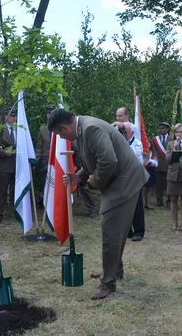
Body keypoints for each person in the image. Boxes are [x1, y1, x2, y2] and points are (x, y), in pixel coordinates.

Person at [49, 110, 148, 300]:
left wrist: (95, 181)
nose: (63, 137)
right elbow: (92, 160)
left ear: (65, 127)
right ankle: (114, 270)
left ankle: (108, 283)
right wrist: (79, 176)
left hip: (124, 181)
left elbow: (108, 160)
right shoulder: (83, 129)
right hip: (122, 179)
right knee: (116, 229)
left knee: (110, 230)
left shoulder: (90, 128)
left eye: (61, 134)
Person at [0, 108, 17, 223]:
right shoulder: (0, 130)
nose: (14, 118)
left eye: (15, 116)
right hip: (4, 166)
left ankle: (16, 213)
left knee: (15, 191)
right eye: (11, 116)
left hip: (17, 165)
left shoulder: (20, 130)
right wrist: (3, 153)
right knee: (1, 192)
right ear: (6, 116)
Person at [122, 122, 146, 241]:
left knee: (137, 205)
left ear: (131, 132)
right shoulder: (119, 143)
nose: (123, 133)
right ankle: (127, 230)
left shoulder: (137, 143)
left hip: (135, 177)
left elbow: (134, 156)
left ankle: (138, 231)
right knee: (124, 205)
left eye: (125, 130)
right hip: (123, 177)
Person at [35, 105, 56, 206]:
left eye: (52, 112)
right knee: (46, 184)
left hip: (58, 162)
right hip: (45, 162)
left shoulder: (60, 128)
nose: (50, 115)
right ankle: (45, 204)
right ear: (46, 114)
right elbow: (39, 148)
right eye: (49, 113)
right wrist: (35, 162)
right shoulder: (42, 130)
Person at [152, 122, 171, 206]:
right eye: (160, 128)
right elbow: (154, 151)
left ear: (167, 129)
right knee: (158, 184)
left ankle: (169, 201)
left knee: (169, 184)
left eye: (163, 128)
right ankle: (159, 200)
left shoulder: (172, 138)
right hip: (159, 165)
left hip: (168, 165)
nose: (161, 129)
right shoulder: (155, 139)